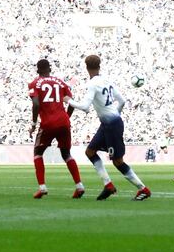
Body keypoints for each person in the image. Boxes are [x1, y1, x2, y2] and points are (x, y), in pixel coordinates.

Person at [64, 55, 150, 201]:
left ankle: (143, 189)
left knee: (118, 161)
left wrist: (69, 100)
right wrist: (115, 115)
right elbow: (122, 101)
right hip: (108, 123)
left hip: (111, 125)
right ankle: (108, 185)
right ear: (99, 66)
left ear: (86, 67)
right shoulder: (106, 80)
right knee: (90, 152)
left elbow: (85, 107)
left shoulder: (92, 84)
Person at [28, 59, 84, 199]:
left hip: (47, 123)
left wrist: (34, 124)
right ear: (50, 69)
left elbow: (35, 104)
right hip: (63, 122)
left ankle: (42, 187)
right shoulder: (60, 82)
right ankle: (79, 186)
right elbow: (72, 103)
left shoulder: (34, 83)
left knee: (38, 152)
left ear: (37, 70)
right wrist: (66, 117)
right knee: (66, 154)